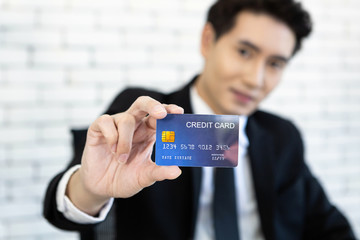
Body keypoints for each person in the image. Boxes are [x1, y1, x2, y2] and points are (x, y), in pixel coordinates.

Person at [43, 0, 356, 239]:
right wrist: (91, 190)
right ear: (208, 40)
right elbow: (59, 212)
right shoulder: (144, 120)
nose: (255, 79)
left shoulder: (281, 136)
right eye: (245, 52)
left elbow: (328, 225)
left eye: (274, 63)